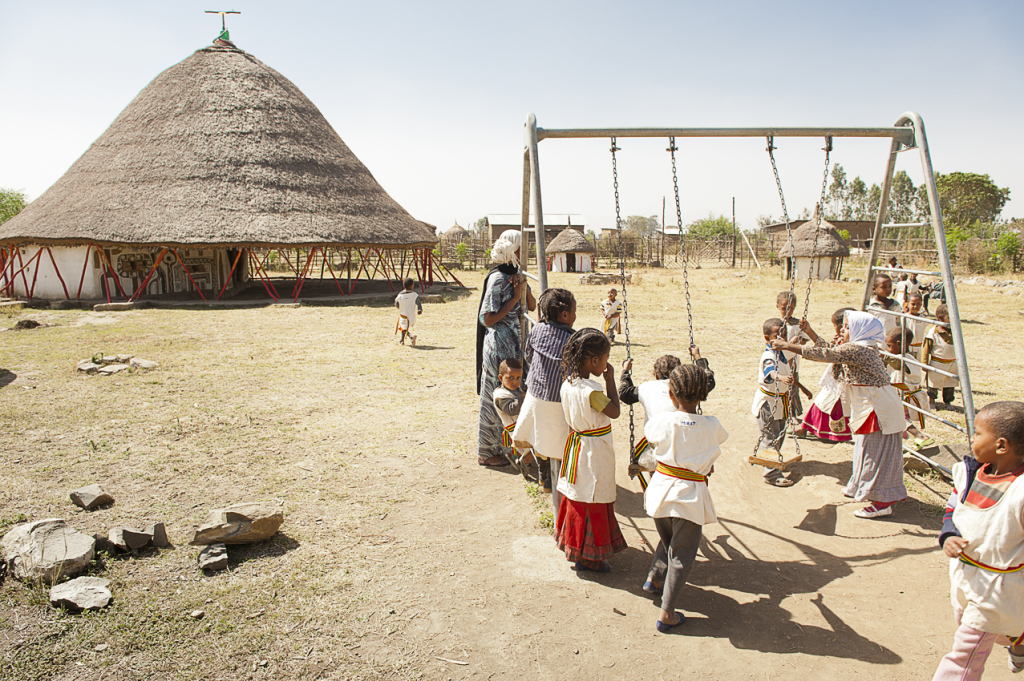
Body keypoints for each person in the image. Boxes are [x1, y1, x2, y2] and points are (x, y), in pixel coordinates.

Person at [775, 312, 907, 518]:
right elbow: (830, 350)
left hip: (878, 408)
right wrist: (809, 331)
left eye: (846, 327)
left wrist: (787, 346)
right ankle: (861, 487)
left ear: (859, 331)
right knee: (864, 450)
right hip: (870, 405)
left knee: (876, 454)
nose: (842, 331)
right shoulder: (857, 347)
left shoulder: (859, 349)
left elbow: (826, 355)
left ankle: (882, 502)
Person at [932, 401, 1024, 680]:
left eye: (977, 433)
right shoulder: (968, 474)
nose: (971, 439)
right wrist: (949, 535)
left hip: (998, 587)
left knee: (966, 653)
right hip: (965, 576)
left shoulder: (1020, 492)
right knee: (977, 625)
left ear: (1001, 445)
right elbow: (953, 510)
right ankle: (1020, 643)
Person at [640, 364, 728, 633]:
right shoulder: (712, 425)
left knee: (670, 541)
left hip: (660, 492)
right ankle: (667, 613)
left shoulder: (662, 422)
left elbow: (653, 437)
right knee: (683, 554)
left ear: (670, 395)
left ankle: (655, 579)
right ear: (703, 395)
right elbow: (714, 446)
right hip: (688, 496)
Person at [554, 328, 626, 573]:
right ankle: (590, 556)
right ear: (595, 361)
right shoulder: (592, 392)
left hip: (577, 445)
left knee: (578, 496)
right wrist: (610, 380)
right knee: (593, 499)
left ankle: (575, 547)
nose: (606, 363)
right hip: (594, 451)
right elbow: (615, 411)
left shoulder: (568, 384)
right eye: (605, 358)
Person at [476, 230, 536, 468]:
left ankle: (511, 447)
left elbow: (531, 305)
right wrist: (513, 299)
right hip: (499, 343)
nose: (526, 252)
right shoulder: (498, 279)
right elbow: (487, 319)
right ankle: (487, 452)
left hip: (514, 343)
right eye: (523, 248)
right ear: (514, 249)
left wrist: (524, 289)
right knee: (495, 398)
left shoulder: (516, 276)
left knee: (514, 396)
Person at [514, 288, 576, 504]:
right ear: (565, 316)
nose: (575, 315)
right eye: (574, 311)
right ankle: (564, 484)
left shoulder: (538, 330)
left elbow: (528, 352)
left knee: (539, 437)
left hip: (535, 398)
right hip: (560, 404)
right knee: (563, 444)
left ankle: (545, 478)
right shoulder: (573, 340)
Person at [620, 347, 716, 481]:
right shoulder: (688, 388)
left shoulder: (647, 387)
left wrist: (625, 372)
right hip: (690, 451)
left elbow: (625, 394)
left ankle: (656, 479)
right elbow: (709, 380)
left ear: (656, 375)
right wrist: (697, 357)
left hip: (657, 454)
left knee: (655, 451)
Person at [795, 307, 854, 443]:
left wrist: (790, 347)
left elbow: (825, 353)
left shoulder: (852, 345)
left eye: (837, 326)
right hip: (835, 378)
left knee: (835, 405)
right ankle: (806, 427)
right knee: (821, 402)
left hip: (843, 381)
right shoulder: (842, 339)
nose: (838, 330)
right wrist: (809, 331)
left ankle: (834, 433)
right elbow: (826, 348)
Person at [752, 318, 796, 487]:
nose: (782, 339)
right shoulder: (769, 356)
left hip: (781, 401)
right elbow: (770, 373)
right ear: (767, 337)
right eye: (778, 335)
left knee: (779, 435)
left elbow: (797, 349)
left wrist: (806, 332)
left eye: (784, 335)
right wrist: (782, 377)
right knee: (770, 437)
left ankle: (771, 462)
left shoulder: (782, 353)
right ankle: (771, 474)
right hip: (768, 402)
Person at [884, 326, 929, 440]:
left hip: (908, 397)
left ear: (899, 344)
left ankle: (920, 436)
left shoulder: (907, 360)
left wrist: (886, 358)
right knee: (899, 418)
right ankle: (903, 436)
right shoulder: (899, 357)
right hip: (901, 395)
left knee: (898, 417)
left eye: (889, 346)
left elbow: (897, 365)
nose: (888, 349)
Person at [776, 291, 813, 424]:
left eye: (790, 308)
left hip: (792, 361)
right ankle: (780, 413)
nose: (787, 311)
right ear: (777, 306)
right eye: (784, 308)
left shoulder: (797, 324)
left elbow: (807, 338)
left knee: (793, 387)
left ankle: (792, 413)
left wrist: (799, 339)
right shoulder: (776, 324)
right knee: (781, 387)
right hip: (779, 361)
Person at [493, 358, 528, 469]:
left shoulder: (514, 389)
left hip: (522, 426)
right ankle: (525, 460)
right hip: (517, 430)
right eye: (510, 378)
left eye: (518, 378)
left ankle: (516, 456)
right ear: (500, 378)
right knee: (540, 443)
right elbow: (511, 410)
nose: (515, 381)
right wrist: (521, 397)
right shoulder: (501, 395)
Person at [923, 304, 959, 409]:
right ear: (940, 318)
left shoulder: (955, 331)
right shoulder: (933, 333)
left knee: (950, 383)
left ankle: (948, 402)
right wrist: (924, 363)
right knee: (933, 384)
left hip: (952, 363)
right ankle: (932, 400)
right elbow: (926, 348)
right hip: (938, 362)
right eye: (949, 317)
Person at [867, 273, 901, 338]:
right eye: (884, 287)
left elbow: (899, 323)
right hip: (876, 340)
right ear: (874, 289)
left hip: (892, 340)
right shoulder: (871, 306)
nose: (888, 289)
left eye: (890, 286)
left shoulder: (895, 305)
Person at [394, 277, 422, 346]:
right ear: (412, 285)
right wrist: (419, 309)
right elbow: (418, 302)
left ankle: (411, 336)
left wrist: (400, 307)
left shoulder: (400, 295)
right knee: (404, 327)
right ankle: (402, 340)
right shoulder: (414, 295)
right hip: (411, 315)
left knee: (402, 326)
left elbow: (396, 303)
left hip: (403, 314)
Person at [906, 293, 929, 359]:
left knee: (917, 366)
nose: (916, 306)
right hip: (907, 347)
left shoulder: (923, 318)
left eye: (918, 304)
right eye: (913, 304)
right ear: (908, 304)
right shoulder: (904, 317)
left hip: (919, 347)